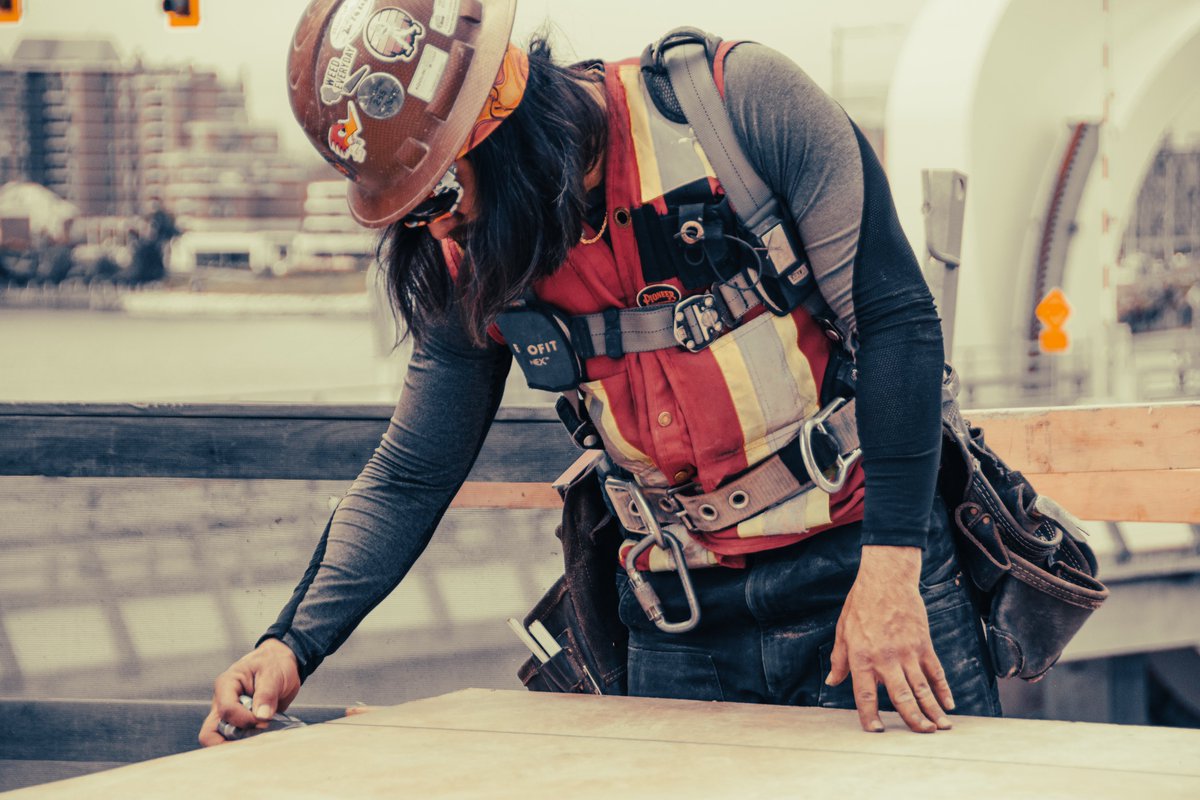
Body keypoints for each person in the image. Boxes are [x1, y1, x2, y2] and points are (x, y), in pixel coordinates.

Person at [199, 0, 1000, 746]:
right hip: (679, 617)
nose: (436, 227)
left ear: (498, 115)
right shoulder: (469, 251)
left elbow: (897, 324)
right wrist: (289, 644)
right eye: (409, 210)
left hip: (865, 571)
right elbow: (413, 471)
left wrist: (893, 571)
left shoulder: (740, 107)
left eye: (438, 190)